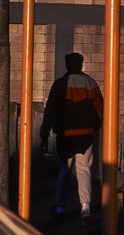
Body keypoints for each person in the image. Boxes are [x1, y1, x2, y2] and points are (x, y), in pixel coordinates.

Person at [40, 52, 103, 223]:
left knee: (64, 171)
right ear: (81, 65)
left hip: (65, 135)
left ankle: (60, 207)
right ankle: (85, 206)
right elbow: (100, 111)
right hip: (86, 135)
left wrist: (44, 135)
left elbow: (50, 113)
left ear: (67, 65)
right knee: (84, 170)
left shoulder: (59, 84)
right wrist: (94, 129)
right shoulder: (90, 83)